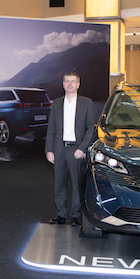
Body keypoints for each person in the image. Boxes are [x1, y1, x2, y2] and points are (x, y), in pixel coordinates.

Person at [45, 72, 96, 226]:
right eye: (67, 81)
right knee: (59, 184)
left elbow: (90, 129)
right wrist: (49, 150)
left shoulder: (86, 103)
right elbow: (51, 128)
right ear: (63, 84)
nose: (70, 84)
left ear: (78, 85)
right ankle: (60, 214)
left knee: (76, 184)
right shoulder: (56, 103)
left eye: (73, 81)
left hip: (76, 150)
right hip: (59, 149)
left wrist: (82, 148)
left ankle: (75, 216)